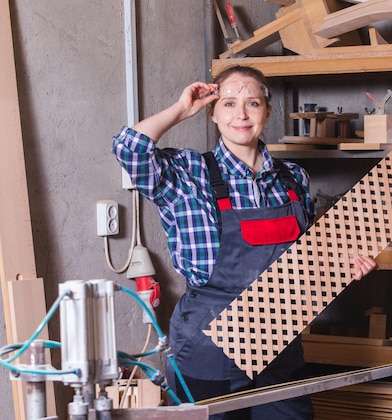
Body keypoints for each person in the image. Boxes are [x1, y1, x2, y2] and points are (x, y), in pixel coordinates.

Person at [112, 65, 377, 419]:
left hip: (279, 339)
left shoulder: (292, 178)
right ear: (212, 112)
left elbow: (305, 256)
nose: (241, 114)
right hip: (210, 345)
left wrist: (341, 262)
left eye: (252, 103)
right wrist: (181, 109)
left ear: (267, 111)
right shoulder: (188, 173)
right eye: (228, 103)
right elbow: (129, 148)